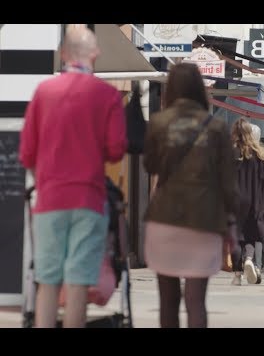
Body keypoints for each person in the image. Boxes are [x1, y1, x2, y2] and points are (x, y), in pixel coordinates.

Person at [19, 25, 127, 328]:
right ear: (95, 55)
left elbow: (27, 153)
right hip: (88, 200)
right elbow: (116, 150)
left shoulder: (43, 92)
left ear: (62, 55)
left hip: (50, 199)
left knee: (47, 281)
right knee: (78, 283)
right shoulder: (106, 96)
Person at [142, 63, 238, 328]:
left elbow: (150, 166)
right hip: (204, 219)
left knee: (167, 300)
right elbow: (228, 183)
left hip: (164, 217)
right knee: (196, 301)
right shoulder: (216, 127)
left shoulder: (159, 122)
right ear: (199, 88)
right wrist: (231, 221)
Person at [229, 118, 264, 286]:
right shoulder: (259, 155)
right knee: (251, 236)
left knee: (235, 238)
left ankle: (237, 276)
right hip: (255, 201)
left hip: (234, 201)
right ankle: (249, 260)